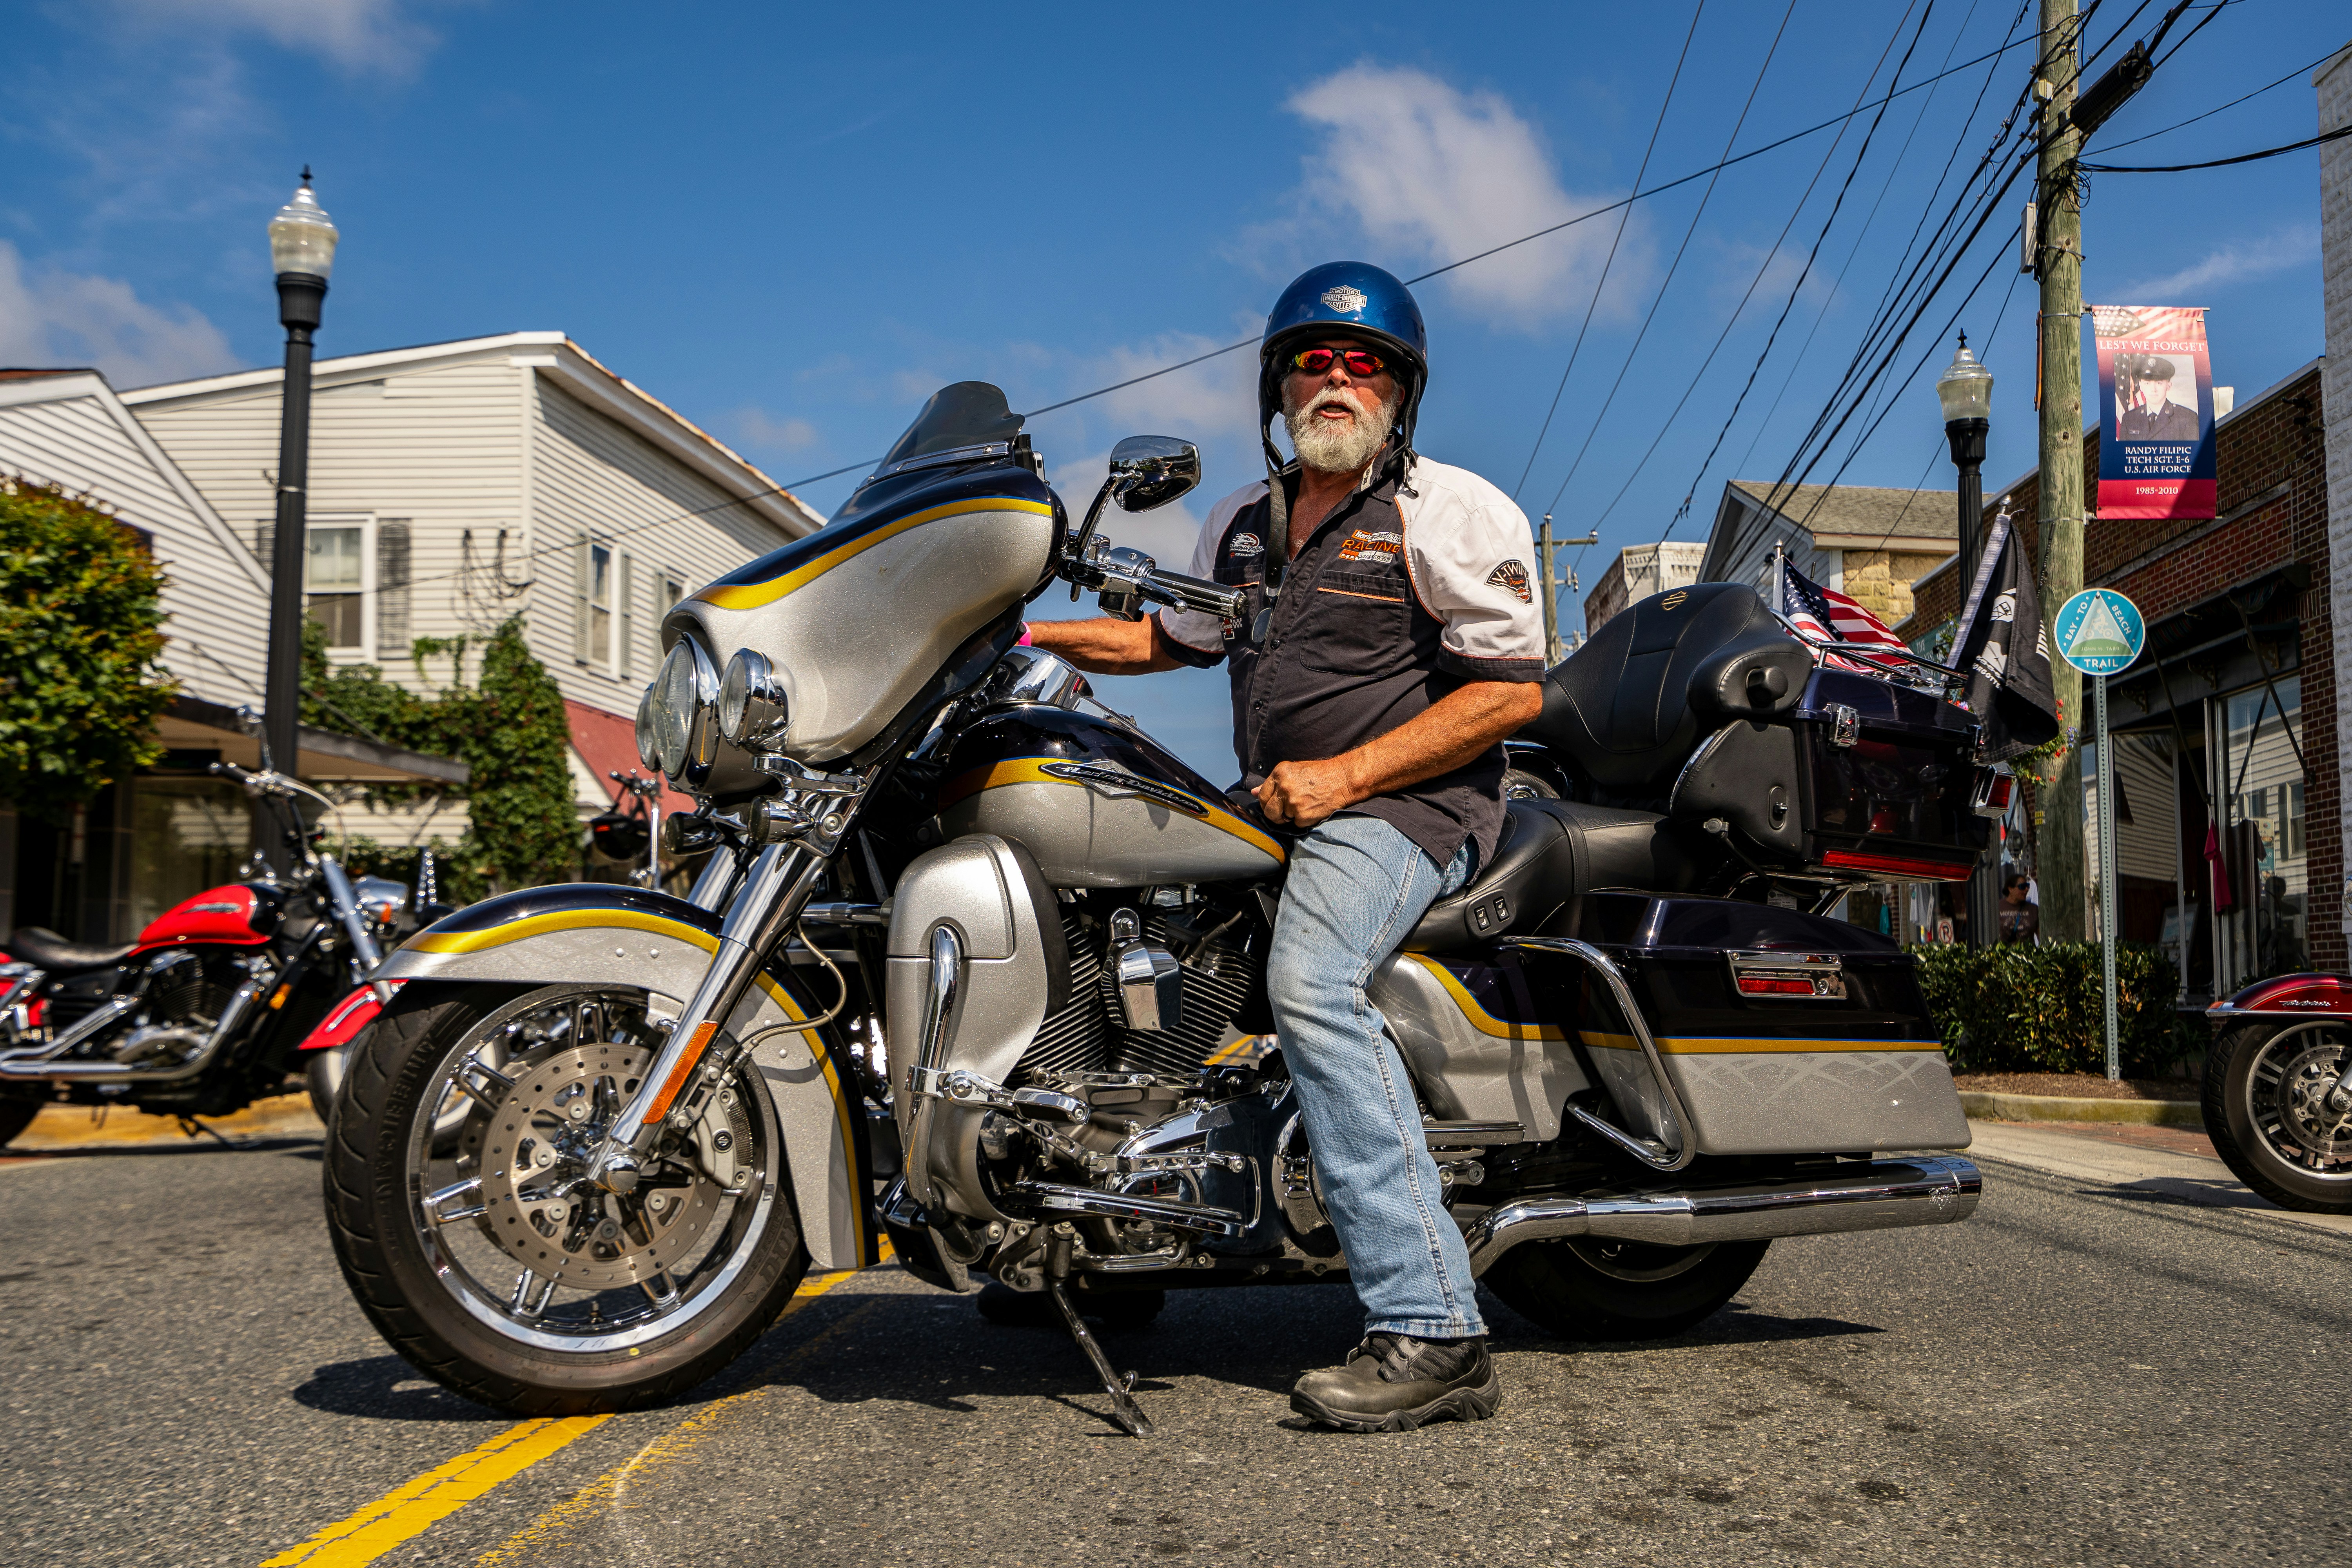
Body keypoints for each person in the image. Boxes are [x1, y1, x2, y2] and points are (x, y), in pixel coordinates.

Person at [1028, 262, 1545, 1432]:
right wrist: (994, 623)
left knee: (1307, 982)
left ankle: (1435, 1326)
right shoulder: (1244, 524)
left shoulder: (1448, 509)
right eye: (1312, 359)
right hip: (1277, 799)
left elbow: (1510, 696)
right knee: (1111, 911)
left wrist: (1349, 775)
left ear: (1400, 391)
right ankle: (1106, 1228)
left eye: (1361, 362)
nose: (1334, 378)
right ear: (1276, 382)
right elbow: (1167, 640)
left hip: (1410, 809)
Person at [2116, 356, 2199, 442]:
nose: (2153, 389)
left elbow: (2194, 454)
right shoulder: (2129, 419)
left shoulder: (2187, 418)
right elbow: (2124, 454)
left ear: (2169, 386)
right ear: (2141, 386)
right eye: (2147, 383)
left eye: (2159, 383)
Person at [1997, 873, 2039, 944]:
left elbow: (2043, 937)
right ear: (2011, 889)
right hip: (2004, 953)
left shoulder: (2034, 909)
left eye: (2027, 886)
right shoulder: (1998, 907)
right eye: (2022, 887)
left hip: (2028, 953)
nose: (2027, 890)